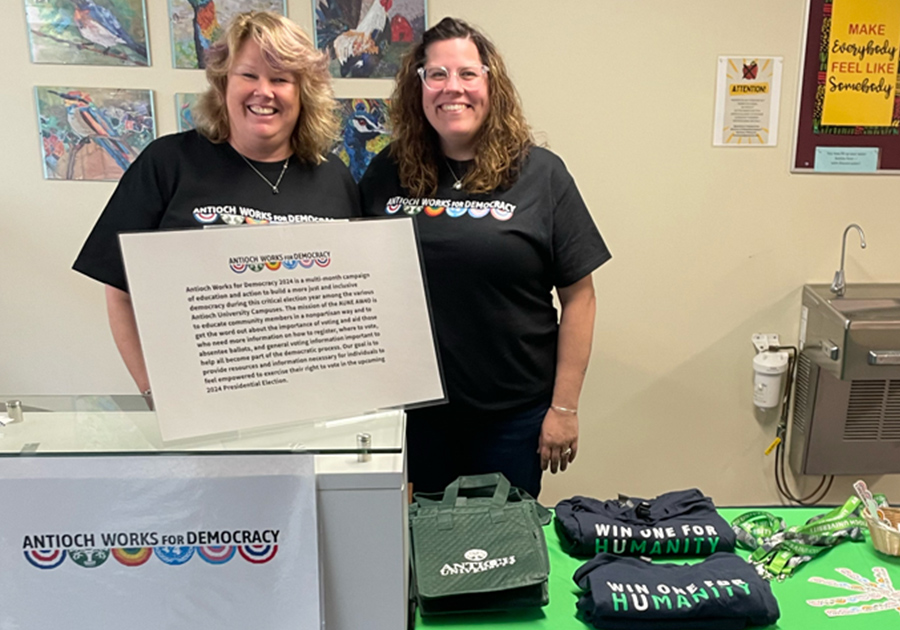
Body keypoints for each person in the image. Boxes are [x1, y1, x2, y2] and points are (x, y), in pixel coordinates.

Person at [359, 17, 611, 498]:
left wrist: (564, 408)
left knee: (502, 559)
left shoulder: (541, 173)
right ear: (419, 88)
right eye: (437, 75)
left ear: (491, 83)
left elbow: (580, 298)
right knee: (424, 555)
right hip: (416, 416)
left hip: (512, 418)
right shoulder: (387, 170)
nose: (452, 88)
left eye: (467, 74)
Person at [73, 12, 359, 397]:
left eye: (280, 79)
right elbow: (120, 291)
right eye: (249, 75)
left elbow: (353, 301)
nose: (264, 91)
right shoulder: (168, 163)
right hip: (200, 402)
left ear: (303, 92)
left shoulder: (333, 176)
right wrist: (153, 390)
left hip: (314, 401)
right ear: (223, 83)